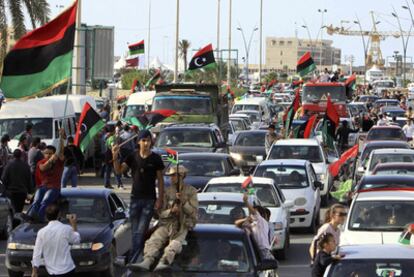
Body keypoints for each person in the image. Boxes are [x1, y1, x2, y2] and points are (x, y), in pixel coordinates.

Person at [112, 129, 165, 264]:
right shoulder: (132, 157)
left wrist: (160, 199)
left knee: (140, 231)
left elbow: (160, 180)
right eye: (143, 140)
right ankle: (137, 257)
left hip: (149, 200)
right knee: (135, 231)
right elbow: (118, 171)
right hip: (135, 199)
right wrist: (115, 156)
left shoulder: (156, 159)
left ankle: (133, 261)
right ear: (138, 142)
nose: (146, 143)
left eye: (148, 140)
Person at [134, 165, 198, 271]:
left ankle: (164, 262)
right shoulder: (167, 192)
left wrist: (183, 202)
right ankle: (147, 261)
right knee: (154, 240)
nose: (171, 178)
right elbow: (160, 213)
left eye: (173, 175)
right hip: (167, 223)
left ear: (181, 176)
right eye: (170, 176)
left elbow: (193, 212)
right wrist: (170, 211)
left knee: (175, 244)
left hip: (182, 224)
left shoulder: (191, 191)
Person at [31, 204, 80, 277]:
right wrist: (74, 225)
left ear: (46, 217)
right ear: (59, 215)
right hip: (68, 269)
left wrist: (34, 271)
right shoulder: (66, 229)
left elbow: (37, 253)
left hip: (52, 271)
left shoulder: (41, 232)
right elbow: (77, 240)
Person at [28, 129, 65, 221]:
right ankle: (30, 218)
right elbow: (43, 168)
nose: (48, 155)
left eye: (50, 153)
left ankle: (40, 219)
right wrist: (51, 160)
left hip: (54, 187)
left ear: (54, 154)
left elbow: (61, 151)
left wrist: (61, 138)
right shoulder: (41, 162)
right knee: (36, 201)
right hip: (42, 187)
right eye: (46, 153)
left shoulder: (58, 162)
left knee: (45, 201)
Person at [235, 193, 274, 260]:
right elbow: (236, 223)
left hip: (263, 250)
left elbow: (254, 213)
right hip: (253, 250)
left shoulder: (262, 221)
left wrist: (246, 201)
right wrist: (246, 219)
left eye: (254, 212)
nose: (251, 214)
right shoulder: (253, 223)